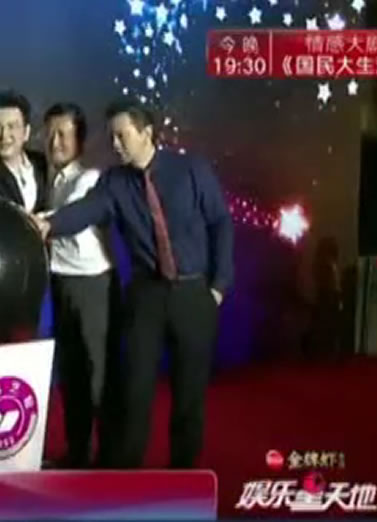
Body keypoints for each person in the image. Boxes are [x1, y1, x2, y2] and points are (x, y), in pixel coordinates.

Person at [33, 98, 234, 469]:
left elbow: (220, 221)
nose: (115, 144)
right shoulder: (115, 182)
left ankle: (183, 475)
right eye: (111, 137)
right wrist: (49, 224)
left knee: (189, 392)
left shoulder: (191, 169)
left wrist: (219, 285)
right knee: (134, 389)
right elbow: (87, 210)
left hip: (194, 293)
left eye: (122, 136)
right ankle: (127, 475)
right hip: (146, 296)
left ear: (146, 133)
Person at [40, 103, 119, 469]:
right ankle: (78, 453)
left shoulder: (89, 178)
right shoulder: (52, 180)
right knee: (71, 373)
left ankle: (110, 457)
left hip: (93, 285)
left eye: (64, 134)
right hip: (62, 281)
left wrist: (29, 221)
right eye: (50, 133)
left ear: (80, 140)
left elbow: (66, 218)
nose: (55, 142)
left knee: (97, 373)